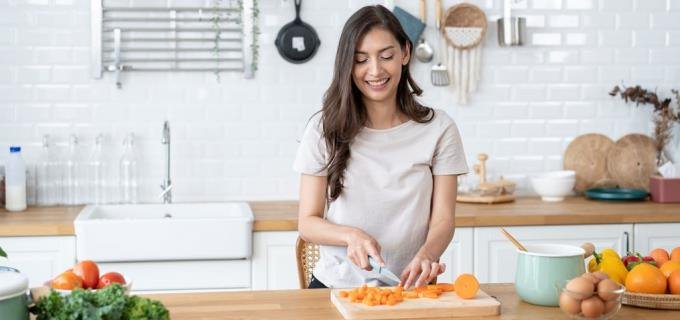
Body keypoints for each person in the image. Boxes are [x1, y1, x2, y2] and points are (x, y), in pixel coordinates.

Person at [293, 5, 468, 290]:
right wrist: (351, 236)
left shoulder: (439, 129)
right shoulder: (324, 129)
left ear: (405, 53)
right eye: (361, 60)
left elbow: (444, 219)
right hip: (336, 288)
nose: (375, 71)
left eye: (386, 56)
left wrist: (427, 254)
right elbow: (307, 222)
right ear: (347, 65)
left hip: (410, 289)